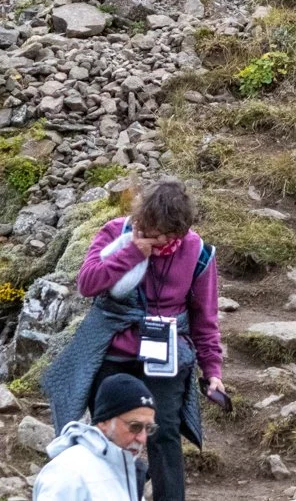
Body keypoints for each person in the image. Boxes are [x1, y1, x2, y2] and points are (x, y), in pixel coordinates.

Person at [44, 180, 224, 501]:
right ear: (140, 218)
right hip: (113, 350)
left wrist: (213, 372)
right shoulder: (115, 232)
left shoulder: (199, 254)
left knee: (163, 433)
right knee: (109, 431)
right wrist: (131, 252)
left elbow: (205, 320)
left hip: (166, 357)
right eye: (151, 231)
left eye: (168, 238)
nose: (159, 242)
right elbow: (87, 283)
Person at [34, 374, 156, 501]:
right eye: (135, 427)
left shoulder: (129, 470)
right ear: (103, 422)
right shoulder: (68, 473)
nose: (142, 439)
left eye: (149, 429)